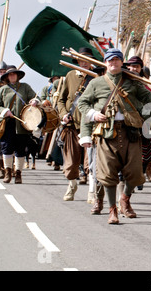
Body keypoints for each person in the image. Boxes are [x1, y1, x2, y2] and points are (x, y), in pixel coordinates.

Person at [78, 48, 151, 224]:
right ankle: (112, 210)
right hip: (106, 133)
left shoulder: (133, 82)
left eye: (117, 60)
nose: (113, 63)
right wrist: (94, 114)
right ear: (106, 63)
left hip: (131, 132)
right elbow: (82, 103)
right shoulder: (96, 83)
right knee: (108, 174)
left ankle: (125, 198)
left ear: (121, 61)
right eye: (110, 60)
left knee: (134, 172)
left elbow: (150, 100)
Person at [0, 65, 40, 184]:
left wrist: (34, 101)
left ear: (18, 75)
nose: (12, 76)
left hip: (22, 124)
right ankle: (8, 172)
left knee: (21, 149)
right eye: (10, 74)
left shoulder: (25, 87)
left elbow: (35, 97)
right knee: (6, 148)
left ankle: (18, 173)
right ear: (7, 77)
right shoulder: (3, 90)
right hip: (7, 123)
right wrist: (5, 111)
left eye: (14, 74)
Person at [57, 47, 93, 201]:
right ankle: (72, 185)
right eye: (81, 60)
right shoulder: (70, 75)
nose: (84, 63)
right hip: (71, 125)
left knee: (90, 162)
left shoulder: (98, 77)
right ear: (77, 61)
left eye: (87, 60)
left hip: (91, 125)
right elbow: (61, 99)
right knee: (71, 162)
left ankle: (92, 191)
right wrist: (64, 114)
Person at [125, 56, 151, 184]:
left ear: (140, 68)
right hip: (129, 121)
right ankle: (129, 176)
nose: (133, 69)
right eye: (131, 66)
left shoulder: (145, 84)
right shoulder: (123, 81)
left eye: (136, 66)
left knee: (148, 148)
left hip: (144, 120)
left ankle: (146, 169)